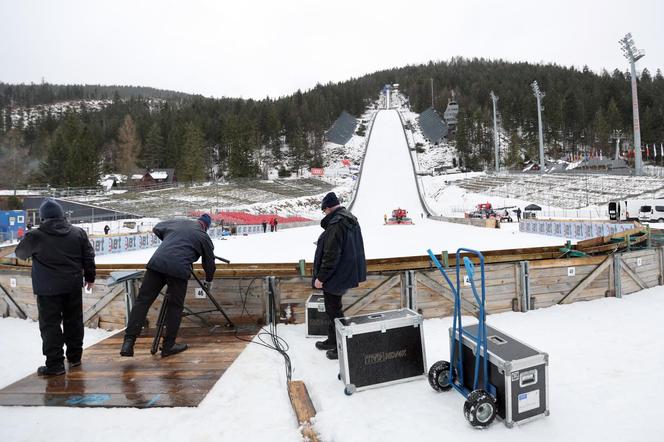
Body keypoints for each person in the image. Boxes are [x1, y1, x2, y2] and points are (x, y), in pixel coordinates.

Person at [15, 198, 96, 376]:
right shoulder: (78, 232)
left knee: (50, 325)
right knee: (73, 321)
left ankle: (55, 365)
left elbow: (20, 253)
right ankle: (75, 358)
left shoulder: (36, 236)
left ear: (42, 218)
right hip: (73, 285)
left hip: (47, 288)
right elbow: (88, 256)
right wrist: (90, 277)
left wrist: (27, 237)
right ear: (62, 215)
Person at [120, 214, 216, 358]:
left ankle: (128, 342)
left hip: (157, 264)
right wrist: (208, 281)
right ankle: (168, 346)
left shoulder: (179, 223)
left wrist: (170, 240)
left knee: (142, 302)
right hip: (178, 270)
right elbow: (209, 263)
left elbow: (157, 228)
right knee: (175, 308)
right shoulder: (203, 236)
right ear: (206, 227)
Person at [312, 192, 366, 360]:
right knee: (333, 309)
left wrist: (321, 278)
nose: (325, 214)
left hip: (336, 274)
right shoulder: (349, 218)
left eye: (324, 211)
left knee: (334, 311)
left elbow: (331, 255)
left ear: (328, 208)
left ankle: (339, 346)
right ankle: (333, 340)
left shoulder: (336, 223)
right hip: (345, 272)